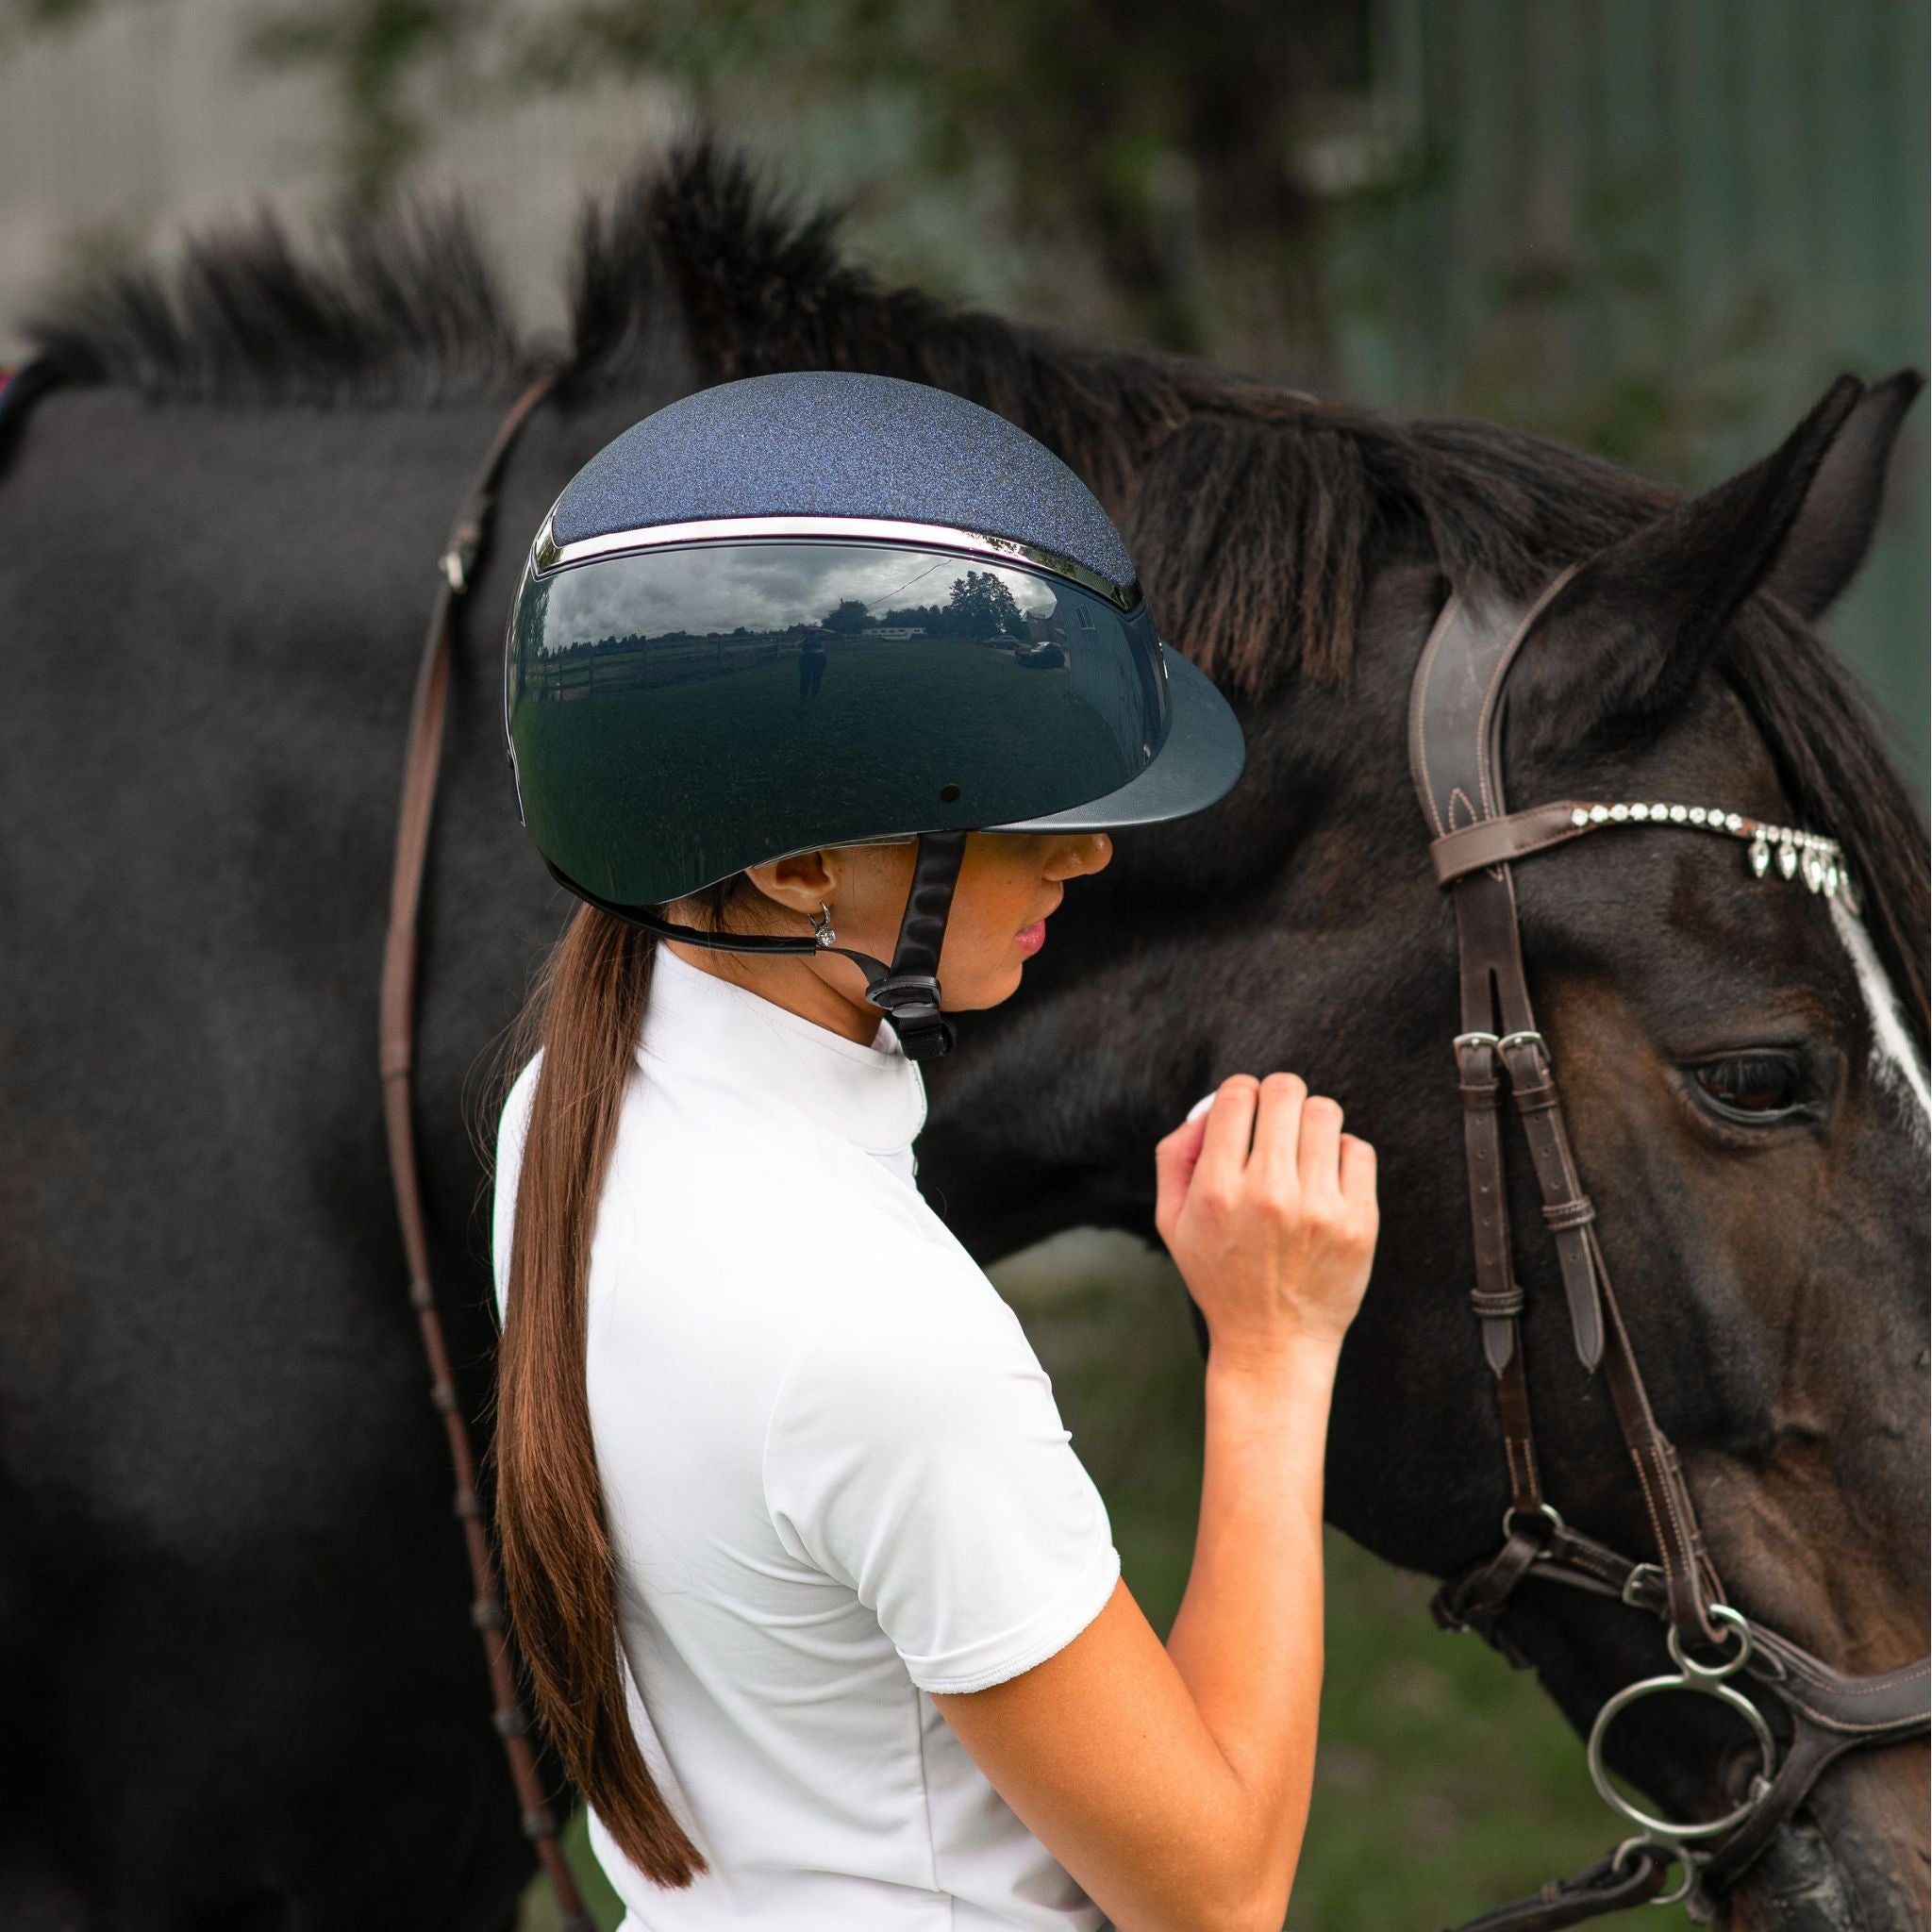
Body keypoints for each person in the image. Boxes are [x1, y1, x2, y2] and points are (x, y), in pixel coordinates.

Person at [490, 371, 1379, 1932]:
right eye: (1014, 808)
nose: (1092, 849)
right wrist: (1269, 1354)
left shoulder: (570, 1105)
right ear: (796, 866)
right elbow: (1218, 1890)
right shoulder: (878, 1341)